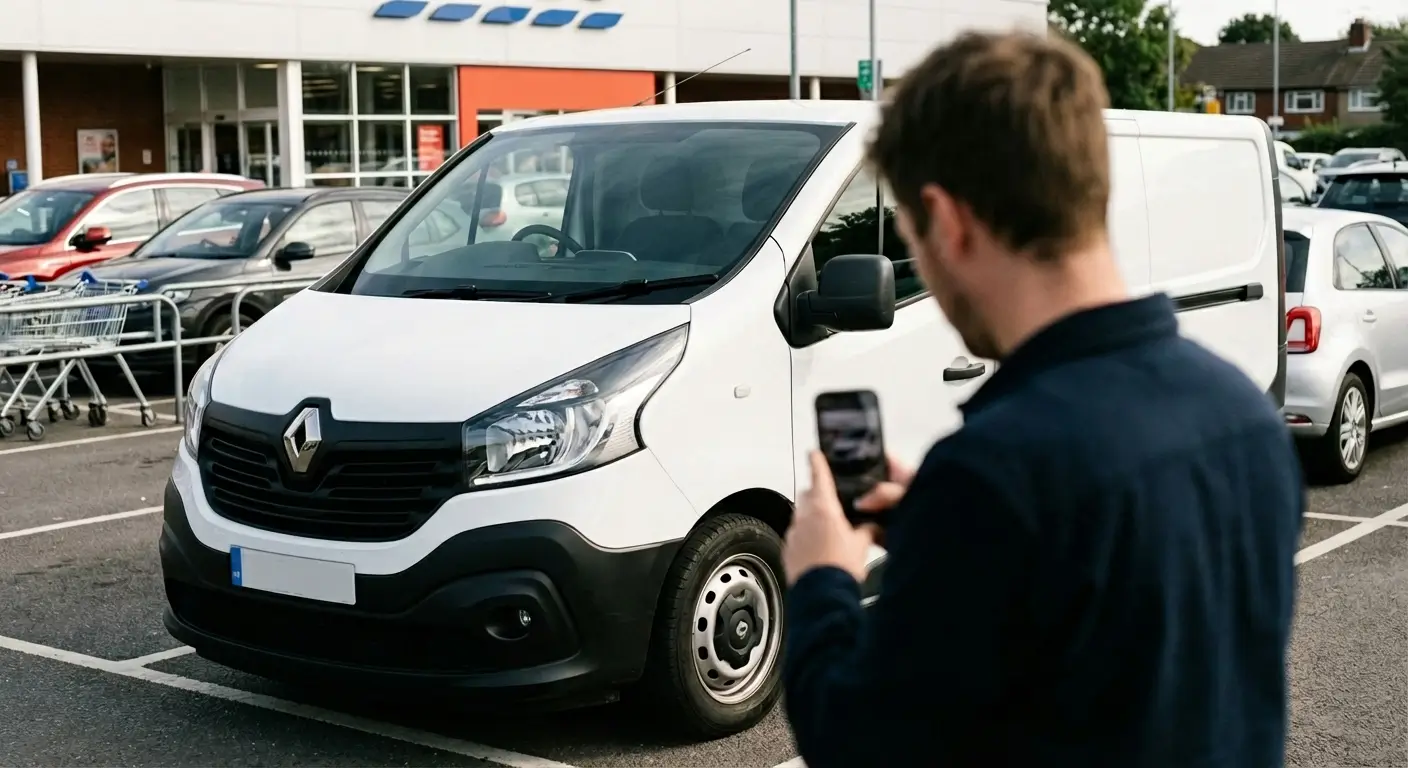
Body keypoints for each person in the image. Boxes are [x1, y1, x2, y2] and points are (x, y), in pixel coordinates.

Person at [780, 30, 1303, 768]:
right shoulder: (1244, 415)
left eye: (911, 237)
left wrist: (823, 578)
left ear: (950, 220)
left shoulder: (997, 476)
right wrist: (938, 528)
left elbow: (857, 742)